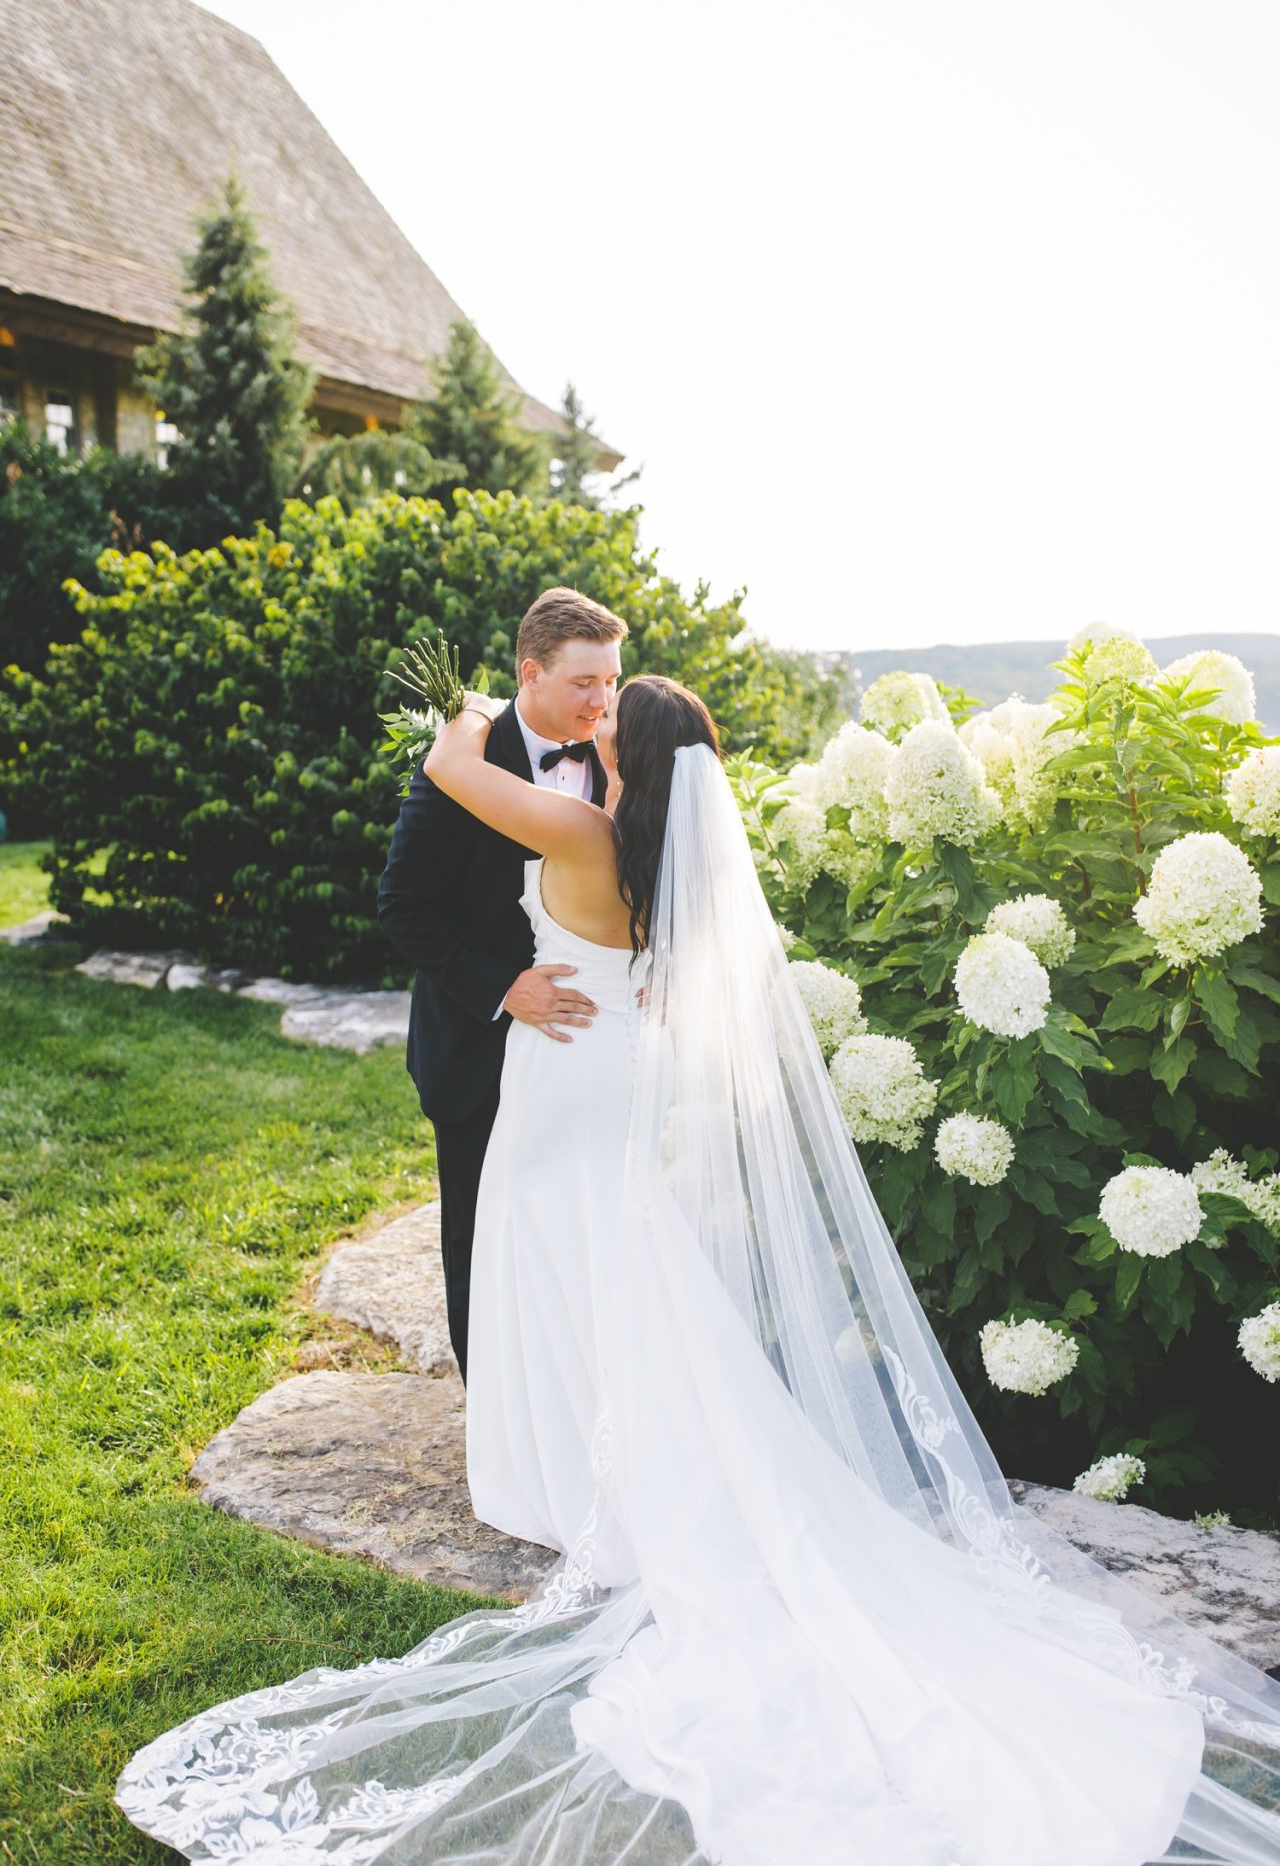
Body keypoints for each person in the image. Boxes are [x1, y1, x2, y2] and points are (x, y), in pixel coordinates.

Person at [116, 676, 1280, 1865]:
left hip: (565, 1080)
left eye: (613, 709)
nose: (596, 714)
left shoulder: (575, 828)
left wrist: (462, 708)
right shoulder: (665, 851)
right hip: (610, 1059)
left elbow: (456, 776)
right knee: (621, 1267)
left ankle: (562, 1474)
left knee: (556, 1253)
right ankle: (592, 1465)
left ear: (636, 746)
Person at [375, 587, 627, 1382]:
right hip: (481, 1043)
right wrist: (504, 987)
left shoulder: (625, 758)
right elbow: (403, 907)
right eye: (585, 682)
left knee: (584, 1223)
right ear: (531, 672)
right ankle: (495, 1408)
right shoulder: (465, 761)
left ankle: (580, 1390)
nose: (602, 699)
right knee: (481, 1234)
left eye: (611, 680)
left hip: (594, 1045)